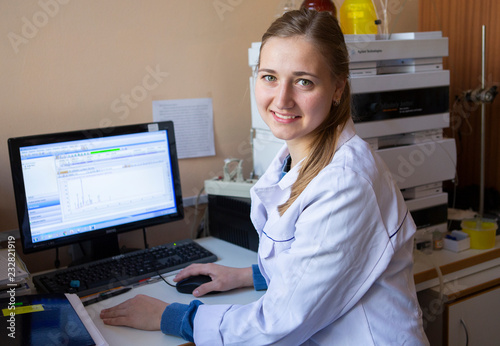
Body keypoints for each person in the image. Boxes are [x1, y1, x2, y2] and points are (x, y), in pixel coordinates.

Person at [100, 9, 429, 345]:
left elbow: (279, 323)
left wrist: (171, 316)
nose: (282, 99)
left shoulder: (345, 183)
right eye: (269, 77)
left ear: (337, 89)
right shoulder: (296, 156)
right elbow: (317, 265)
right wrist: (249, 275)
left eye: (304, 81)